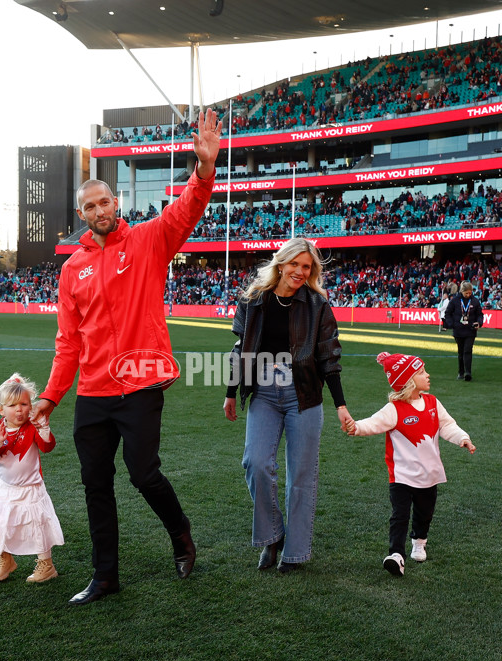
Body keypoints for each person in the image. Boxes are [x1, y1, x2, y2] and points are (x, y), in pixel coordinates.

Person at [31, 108, 222, 605]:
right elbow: (67, 342)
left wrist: (204, 170)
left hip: (140, 381)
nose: (99, 210)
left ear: (117, 203)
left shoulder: (148, 241)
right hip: (93, 392)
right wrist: (52, 397)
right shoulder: (72, 270)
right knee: (96, 485)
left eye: (105, 201)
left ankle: (180, 533)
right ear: (81, 215)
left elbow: (186, 210)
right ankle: (105, 576)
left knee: (143, 474)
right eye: (90, 206)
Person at [223, 238, 352, 574]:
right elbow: (240, 349)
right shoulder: (254, 300)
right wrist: (230, 391)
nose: (299, 271)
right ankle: (272, 536)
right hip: (264, 391)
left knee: (301, 477)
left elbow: (329, 356)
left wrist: (340, 404)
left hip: (305, 396)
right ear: (281, 263)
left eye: (306, 267)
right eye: (294, 264)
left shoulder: (317, 304)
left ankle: (294, 553)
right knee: (256, 464)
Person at [346, 352, 475, 577]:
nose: (428, 375)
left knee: (424, 513)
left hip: (429, 474)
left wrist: (462, 437)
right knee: (399, 515)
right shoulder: (394, 408)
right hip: (402, 476)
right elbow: (373, 423)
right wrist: (355, 427)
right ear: (409, 380)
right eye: (422, 372)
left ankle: (419, 541)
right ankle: (396, 555)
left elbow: (447, 425)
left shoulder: (433, 403)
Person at [0, 373, 64, 583]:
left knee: (37, 524)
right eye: (12, 405)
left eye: (24, 404)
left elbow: (47, 447)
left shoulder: (32, 427)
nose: (19, 409)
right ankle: (4, 559)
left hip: (31, 487)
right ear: (1, 409)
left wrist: (44, 428)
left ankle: (46, 565)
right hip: (4, 488)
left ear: (31, 406)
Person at [444, 280, 484, 381]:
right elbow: (448, 313)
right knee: (461, 352)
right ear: (462, 291)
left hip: (470, 330)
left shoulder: (475, 301)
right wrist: (451, 324)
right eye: (466, 293)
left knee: (467, 351)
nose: (468, 294)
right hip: (458, 331)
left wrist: (479, 323)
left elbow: (480, 314)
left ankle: (468, 373)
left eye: (470, 292)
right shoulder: (455, 301)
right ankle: (460, 372)